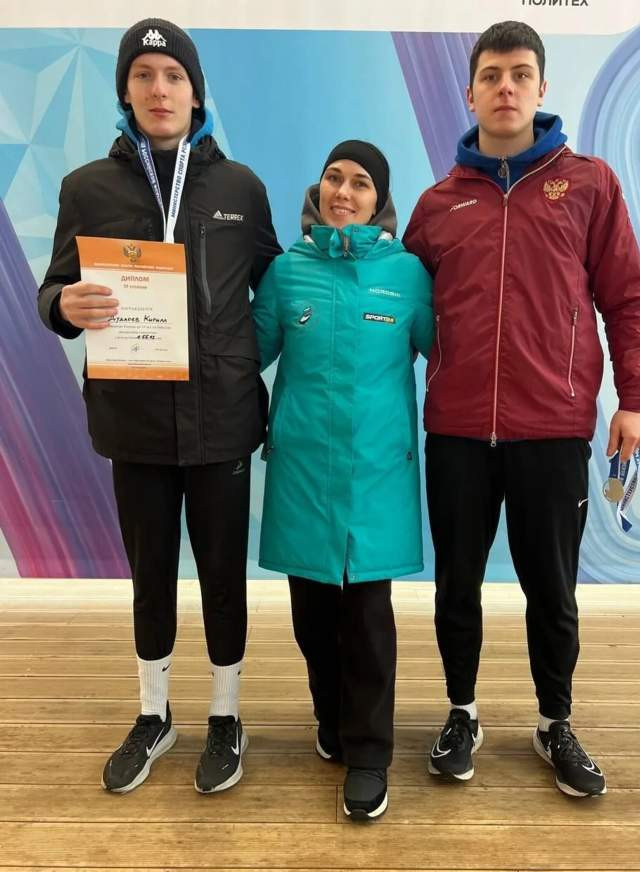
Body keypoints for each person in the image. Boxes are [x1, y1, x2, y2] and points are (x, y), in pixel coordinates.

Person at [403, 21, 640, 798]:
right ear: (470, 91)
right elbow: (399, 311)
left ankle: (554, 722)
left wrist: (636, 400)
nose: (505, 88)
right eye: (491, 75)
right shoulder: (437, 203)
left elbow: (626, 299)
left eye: (519, 74)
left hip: (551, 428)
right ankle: (461, 712)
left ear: (541, 88)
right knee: (456, 585)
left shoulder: (589, 184)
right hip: (455, 431)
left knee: (551, 590)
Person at [37, 18, 281, 794]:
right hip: (133, 421)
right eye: (142, 75)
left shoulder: (240, 188)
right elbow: (53, 288)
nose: (158, 89)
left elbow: (276, 290)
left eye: (173, 75)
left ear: (195, 92)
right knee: (149, 576)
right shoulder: (87, 188)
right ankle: (154, 713)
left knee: (222, 576)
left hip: (222, 422)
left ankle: (226, 714)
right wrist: (61, 305)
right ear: (125, 91)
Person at [252, 140, 433, 819]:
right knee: (311, 618)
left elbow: (453, 353)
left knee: (366, 621)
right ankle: (330, 718)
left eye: (360, 183)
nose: (344, 192)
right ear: (318, 189)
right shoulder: (286, 273)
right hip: (302, 471)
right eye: (334, 178)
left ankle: (369, 753)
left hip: (376, 474)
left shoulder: (407, 275)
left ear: (378, 200)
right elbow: (242, 354)